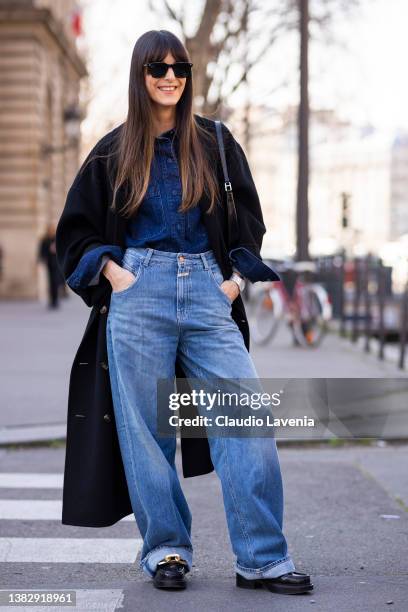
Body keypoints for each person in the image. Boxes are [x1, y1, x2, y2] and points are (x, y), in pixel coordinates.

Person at [56, 30, 313, 595]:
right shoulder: (113, 150)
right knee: (146, 432)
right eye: (157, 67)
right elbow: (75, 230)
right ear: (140, 75)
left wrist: (234, 281)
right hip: (138, 290)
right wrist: (116, 274)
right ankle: (166, 550)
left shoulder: (216, 143)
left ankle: (262, 558)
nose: (169, 75)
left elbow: (249, 218)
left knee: (245, 421)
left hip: (205, 288)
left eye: (179, 67)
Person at [38, 222, 63, 309]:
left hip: (56, 263)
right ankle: (52, 300)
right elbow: (41, 251)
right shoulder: (45, 240)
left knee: (56, 281)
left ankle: (56, 300)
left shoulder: (56, 239)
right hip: (49, 263)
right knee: (50, 282)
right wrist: (42, 259)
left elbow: (62, 250)